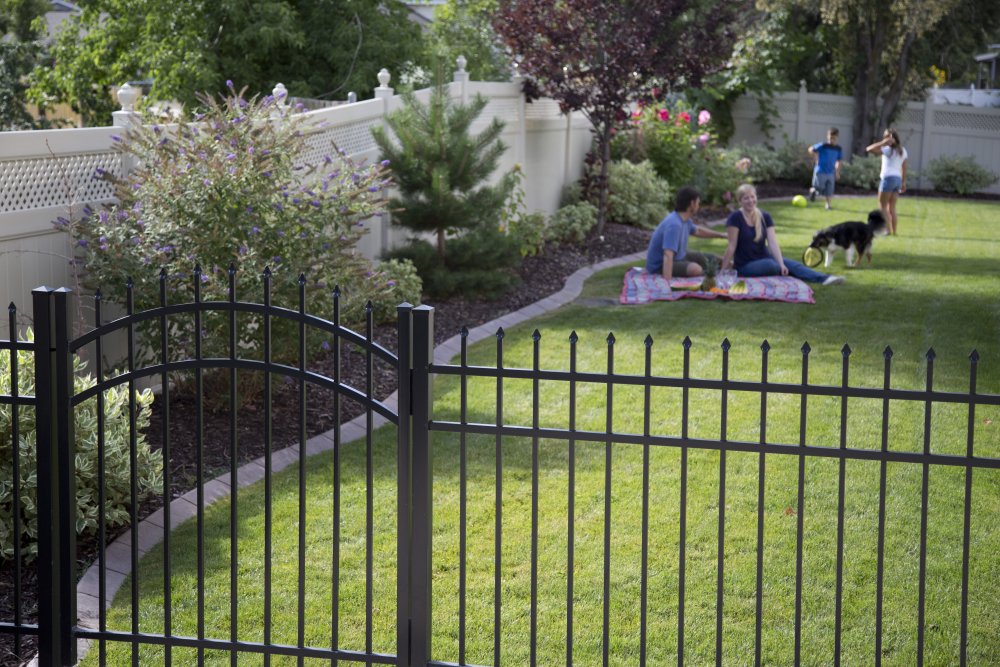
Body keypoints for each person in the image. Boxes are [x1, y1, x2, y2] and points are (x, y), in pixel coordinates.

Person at [722, 184, 844, 285]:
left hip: (765, 257)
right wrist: (723, 271)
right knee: (772, 266)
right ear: (740, 201)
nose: (750, 201)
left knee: (791, 264)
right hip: (745, 265)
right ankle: (783, 270)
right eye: (746, 198)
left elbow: (773, 243)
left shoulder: (765, 216)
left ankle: (825, 278)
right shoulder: (735, 218)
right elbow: (731, 246)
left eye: (752, 197)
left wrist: (781, 263)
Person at [646, 186, 727, 279]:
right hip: (659, 266)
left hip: (680, 256)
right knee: (696, 270)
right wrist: (667, 284)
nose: (698, 206)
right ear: (692, 204)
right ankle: (708, 279)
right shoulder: (674, 224)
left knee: (716, 260)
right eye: (698, 203)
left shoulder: (684, 220)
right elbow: (668, 255)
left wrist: (721, 235)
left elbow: (698, 231)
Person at [866, 128, 907, 235]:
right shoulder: (902, 150)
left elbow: (869, 149)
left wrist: (882, 143)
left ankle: (887, 231)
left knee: (882, 206)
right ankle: (894, 231)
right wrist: (903, 182)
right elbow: (904, 167)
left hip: (888, 179)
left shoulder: (888, 149)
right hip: (897, 179)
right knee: (892, 207)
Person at [808, 127, 843, 210]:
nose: (832, 140)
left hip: (831, 172)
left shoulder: (838, 149)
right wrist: (815, 157)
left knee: (829, 190)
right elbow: (811, 149)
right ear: (828, 137)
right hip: (820, 171)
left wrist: (837, 172)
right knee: (818, 188)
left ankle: (828, 205)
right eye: (830, 138)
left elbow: (839, 160)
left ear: (837, 138)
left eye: (834, 138)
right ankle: (812, 191)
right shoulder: (823, 145)